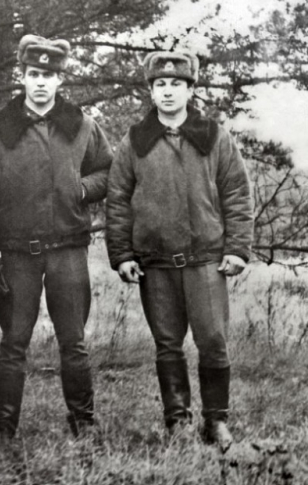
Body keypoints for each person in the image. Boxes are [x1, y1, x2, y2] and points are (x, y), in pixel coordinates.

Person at [105, 51, 253, 448]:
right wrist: (122, 255)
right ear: (151, 92)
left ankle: (216, 421)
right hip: (155, 262)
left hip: (206, 258)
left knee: (213, 341)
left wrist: (237, 247)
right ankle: (177, 420)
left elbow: (237, 192)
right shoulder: (134, 141)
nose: (168, 91)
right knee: (167, 344)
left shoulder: (214, 136)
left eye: (176, 84)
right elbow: (117, 199)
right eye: (160, 85)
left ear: (190, 90)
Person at [0, 35, 113, 440]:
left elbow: (107, 172)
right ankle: (3, 428)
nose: (40, 82)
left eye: (48, 75)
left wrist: (81, 188)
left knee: (73, 342)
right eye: (33, 74)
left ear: (59, 79)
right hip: (17, 254)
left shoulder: (82, 125)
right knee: (13, 342)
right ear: (22, 76)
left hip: (68, 250)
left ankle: (83, 424)